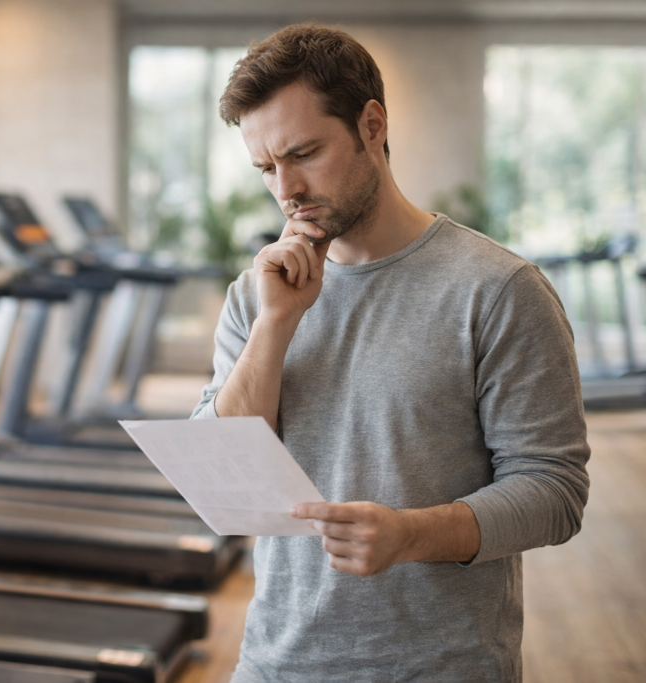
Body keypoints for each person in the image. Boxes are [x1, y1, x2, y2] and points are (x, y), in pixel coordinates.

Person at [190, 23, 590, 682]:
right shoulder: (255, 296)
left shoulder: (497, 290)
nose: (285, 189)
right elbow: (224, 479)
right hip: (275, 664)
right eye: (266, 167)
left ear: (372, 124)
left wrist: (410, 534)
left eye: (304, 153)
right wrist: (275, 326)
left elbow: (555, 491)